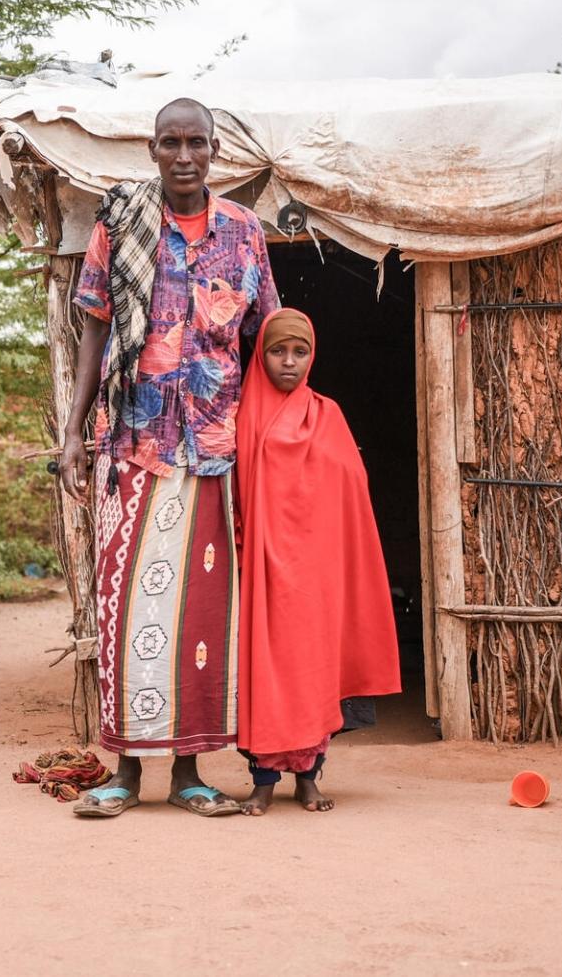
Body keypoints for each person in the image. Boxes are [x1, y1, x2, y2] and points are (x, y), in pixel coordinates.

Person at [59, 97, 279, 819]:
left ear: (215, 151)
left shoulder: (245, 234)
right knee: (126, 610)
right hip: (134, 443)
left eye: (197, 143)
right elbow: (92, 330)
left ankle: (189, 772)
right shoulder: (120, 224)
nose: (184, 155)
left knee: (201, 617)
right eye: (170, 143)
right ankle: (126, 771)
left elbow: (267, 339)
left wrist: (282, 439)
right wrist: (72, 431)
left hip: (215, 448)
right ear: (151, 149)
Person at [234, 308, 402, 814]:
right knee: (263, 671)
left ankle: (308, 776)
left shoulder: (327, 414)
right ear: (260, 355)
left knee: (313, 667)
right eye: (278, 351)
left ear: (313, 356)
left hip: (317, 569)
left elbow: (351, 490)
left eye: (299, 352)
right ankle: (263, 780)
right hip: (259, 567)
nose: (289, 362)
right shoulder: (241, 417)